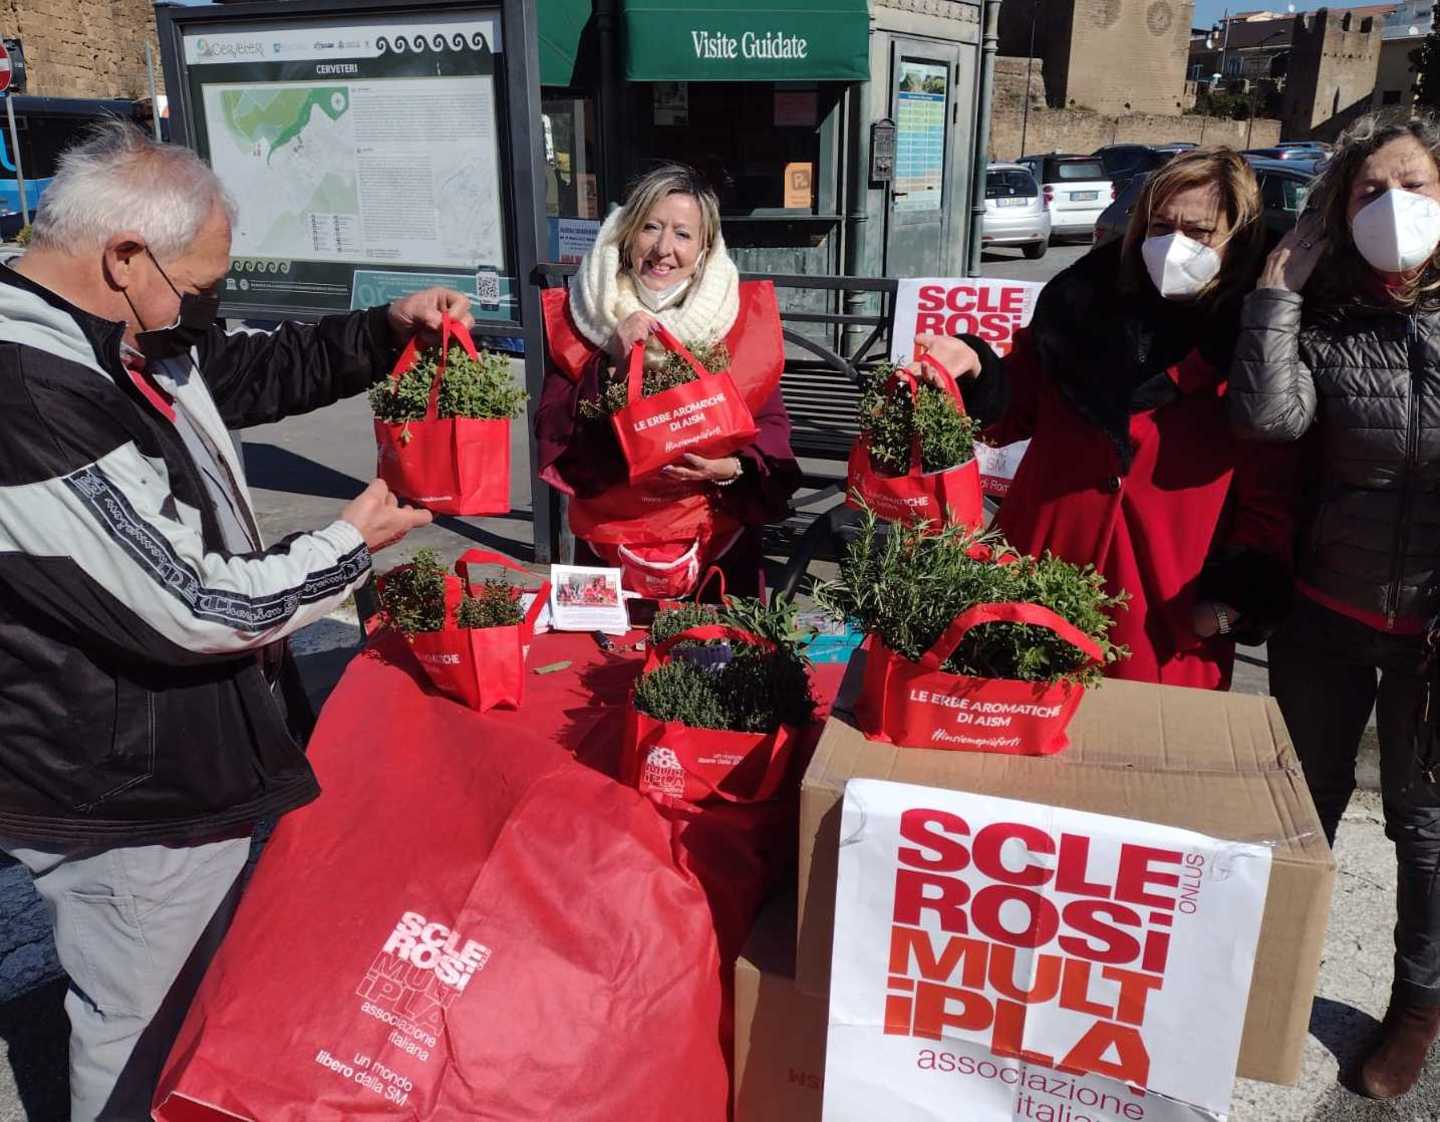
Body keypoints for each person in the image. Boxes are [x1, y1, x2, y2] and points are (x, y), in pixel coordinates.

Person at [0, 121, 467, 1119]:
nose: (206, 308)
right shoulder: (29, 391)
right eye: (200, 284)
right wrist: (352, 538)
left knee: (196, 990)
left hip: (168, 747)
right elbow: (194, 603)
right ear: (124, 257)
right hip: (121, 783)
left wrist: (386, 328)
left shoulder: (123, 324)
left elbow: (244, 373)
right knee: (143, 1023)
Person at [1230, 112, 1440, 1100]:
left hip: (1433, 638)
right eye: (1370, 190)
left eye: (1417, 186)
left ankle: (1415, 1010)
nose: (1394, 207)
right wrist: (1276, 294)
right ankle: (1273, 974)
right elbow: (1268, 418)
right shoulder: (1327, 319)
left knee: (1424, 825)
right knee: (1303, 805)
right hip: (1327, 611)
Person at [918, 148, 1298, 689]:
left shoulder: (1252, 344)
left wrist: (1227, 606)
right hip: (1039, 579)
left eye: (1199, 231)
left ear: (1235, 241)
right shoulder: (1078, 310)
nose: (1175, 245)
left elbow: (1273, 496)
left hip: (1162, 611)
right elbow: (1015, 405)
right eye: (1161, 226)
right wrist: (976, 364)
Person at [536, 164, 801, 598]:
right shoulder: (580, 318)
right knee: (590, 663)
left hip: (717, 548)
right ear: (626, 235)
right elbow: (552, 433)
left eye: (682, 234)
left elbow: (772, 430)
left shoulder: (736, 321)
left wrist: (730, 469)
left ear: (704, 248)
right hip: (606, 549)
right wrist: (613, 366)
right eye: (650, 228)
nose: (663, 249)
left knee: (717, 660)